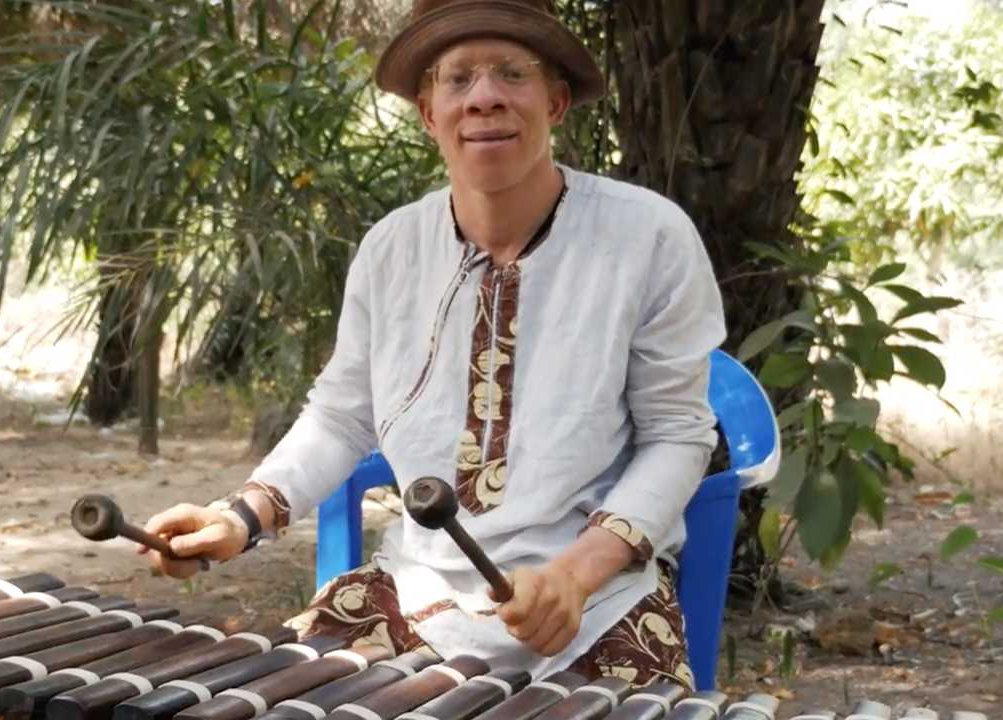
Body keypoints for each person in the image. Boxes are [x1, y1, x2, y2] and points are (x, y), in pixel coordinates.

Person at [138, 0, 726, 689]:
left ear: (556, 102)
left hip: (594, 604)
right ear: (428, 113)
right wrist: (240, 517)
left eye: (513, 73)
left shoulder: (649, 237)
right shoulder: (391, 249)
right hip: (413, 598)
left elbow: (678, 436)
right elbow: (341, 416)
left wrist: (576, 574)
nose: (484, 98)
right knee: (270, 699)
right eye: (457, 80)